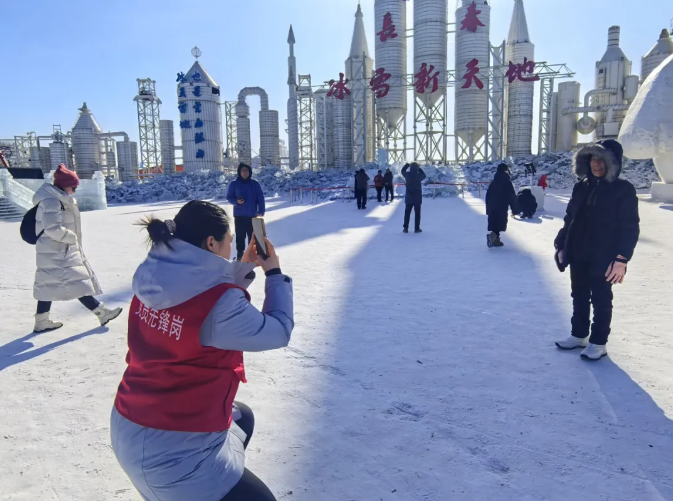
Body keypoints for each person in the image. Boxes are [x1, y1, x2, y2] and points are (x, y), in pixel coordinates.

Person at [111, 200, 294, 501]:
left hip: (130, 420)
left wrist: (245, 266)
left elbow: (201, 293)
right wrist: (273, 273)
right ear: (211, 242)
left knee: (243, 417)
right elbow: (278, 331)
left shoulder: (155, 276)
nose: (231, 248)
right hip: (172, 454)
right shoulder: (218, 305)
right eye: (229, 241)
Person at [554, 140, 640, 361]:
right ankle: (579, 334)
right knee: (579, 294)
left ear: (613, 163)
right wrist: (561, 245)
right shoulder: (581, 186)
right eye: (593, 158)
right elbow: (570, 218)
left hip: (605, 254)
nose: (597, 164)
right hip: (579, 251)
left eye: (603, 160)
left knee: (601, 298)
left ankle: (599, 342)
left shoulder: (623, 190)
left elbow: (630, 226)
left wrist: (622, 259)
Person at [32, 164, 122, 333]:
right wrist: (71, 237)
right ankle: (102, 312)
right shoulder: (52, 201)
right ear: (64, 185)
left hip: (54, 250)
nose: (74, 190)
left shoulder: (57, 198)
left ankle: (41, 321)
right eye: (73, 187)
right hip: (58, 249)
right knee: (76, 282)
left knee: (48, 284)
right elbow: (52, 228)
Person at [226, 163, 266, 261]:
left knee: (253, 237)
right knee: (240, 236)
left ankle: (252, 255)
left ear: (250, 172)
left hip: (252, 215)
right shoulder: (234, 184)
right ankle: (240, 255)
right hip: (239, 215)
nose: (245, 172)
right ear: (239, 172)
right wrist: (236, 201)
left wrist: (261, 211)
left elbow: (260, 198)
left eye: (247, 170)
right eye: (243, 170)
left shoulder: (255, 184)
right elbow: (229, 197)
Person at [485, 163, 517, 247]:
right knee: (500, 222)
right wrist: (515, 209)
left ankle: (496, 240)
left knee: (495, 223)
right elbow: (512, 196)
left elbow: (487, 196)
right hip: (501, 206)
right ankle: (492, 236)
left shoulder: (493, 182)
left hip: (492, 206)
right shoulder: (507, 182)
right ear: (506, 170)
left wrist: (488, 209)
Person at [401, 163, 426, 233]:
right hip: (417, 198)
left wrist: (407, 165)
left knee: (407, 213)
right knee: (417, 214)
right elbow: (424, 175)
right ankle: (417, 228)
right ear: (417, 168)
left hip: (409, 198)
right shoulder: (419, 176)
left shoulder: (407, 175)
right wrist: (419, 168)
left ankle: (405, 228)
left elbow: (402, 171)